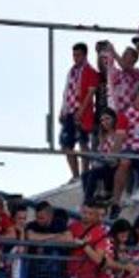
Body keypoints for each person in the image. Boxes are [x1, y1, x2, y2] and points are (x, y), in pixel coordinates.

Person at [58, 43, 101, 181]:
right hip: (69, 111)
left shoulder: (90, 71)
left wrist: (81, 110)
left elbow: (91, 92)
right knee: (66, 143)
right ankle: (75, 175)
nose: (75, 58)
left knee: (83, 142)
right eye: (74, 55)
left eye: (78, 55)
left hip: (83, 112)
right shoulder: (71, 72)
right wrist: (62, 109)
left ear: (84, 55)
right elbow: (67, 92)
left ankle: (85, 174)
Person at [113, 82, 139, 219]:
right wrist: (114, 155)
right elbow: (119, 137)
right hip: (130, 149)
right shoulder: (126, 114)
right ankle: (116, 202)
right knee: (124, 162)